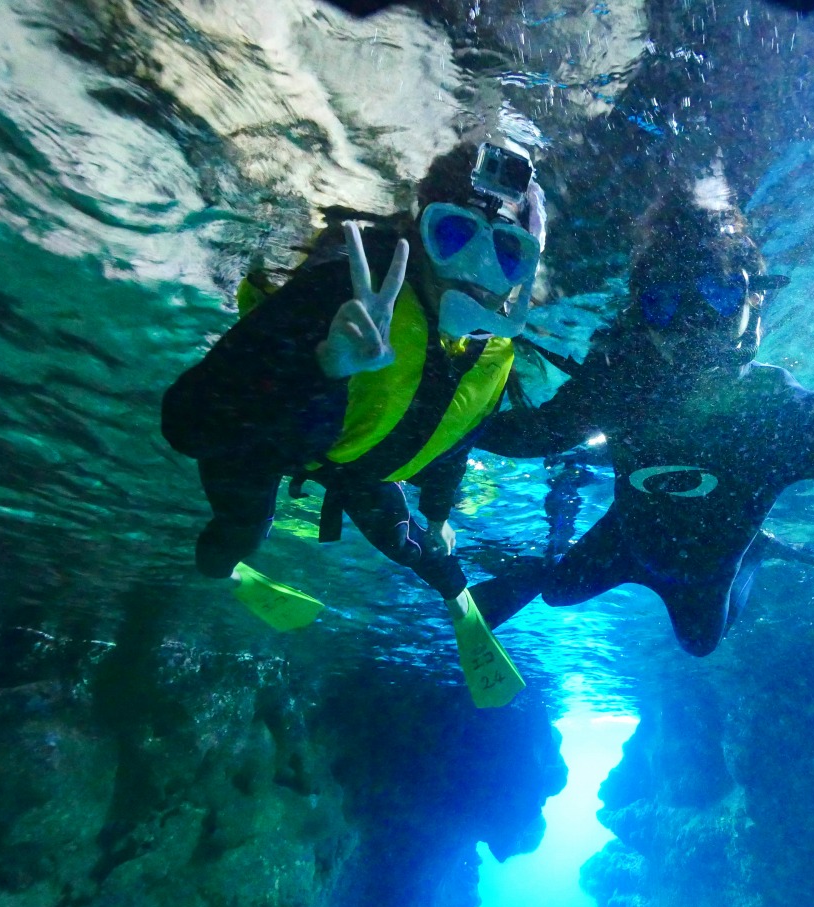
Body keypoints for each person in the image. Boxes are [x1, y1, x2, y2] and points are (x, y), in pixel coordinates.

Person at [470, 182, 814, 656]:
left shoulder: (783, 415)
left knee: (700, 643)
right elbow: (529, 436)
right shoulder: (619, 386)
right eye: (664, 301)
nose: (693, 321)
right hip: (625, 540)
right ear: (640, 314)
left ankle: (754, 551)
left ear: (755, 298)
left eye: (718, 294)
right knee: (557, 593)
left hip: (705, 573)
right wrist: (451, 375)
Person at [162, 141, 547, 706]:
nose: (476, 272)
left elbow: (456, 437)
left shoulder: (490, 351)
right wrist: (322, 368)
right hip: (268, 442)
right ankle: (228, 569)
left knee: (416, 545)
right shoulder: (337, 295)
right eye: (455, 235)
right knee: (243, 531)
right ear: (420, 231)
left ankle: (457, 597)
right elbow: (185, 423)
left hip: (358, 465)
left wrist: (439, 514)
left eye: (507, 253)